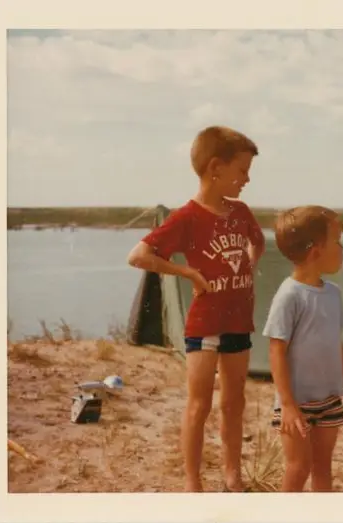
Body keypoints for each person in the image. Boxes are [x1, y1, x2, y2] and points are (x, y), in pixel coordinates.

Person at [127, 125, 265, 493]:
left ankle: (232, 475)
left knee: (234, 402)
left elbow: (258, 241)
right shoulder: (186, 217)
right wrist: (185, 271)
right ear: (215, 168)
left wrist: (249, 263)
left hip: (238, 321)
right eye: (242, 171)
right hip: (204, 325)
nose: (247, 179)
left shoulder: (241, 212)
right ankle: (192, 482)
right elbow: (138, 256)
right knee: (199, 405)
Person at [263, 205, 343, 492]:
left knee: (322, 468)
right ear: (316, 251)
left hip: (328, 399)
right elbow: (276, 350)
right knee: (298, 467)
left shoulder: (333, 294)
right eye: (337, 242)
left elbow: (334, 342)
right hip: (296, 402)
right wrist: (288, 405)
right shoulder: (289, 296)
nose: (342, 249)